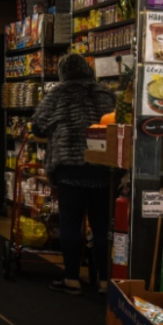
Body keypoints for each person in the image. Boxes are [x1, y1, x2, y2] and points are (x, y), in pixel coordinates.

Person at [32, 53, 116, 295]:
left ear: (62, 73)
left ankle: (71, 278)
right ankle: (103, 280)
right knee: (102, 226)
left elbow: (38, 125)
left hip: (69, 167)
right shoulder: (105, 94)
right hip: (103, 168)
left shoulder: (58, 94)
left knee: (71, 223)